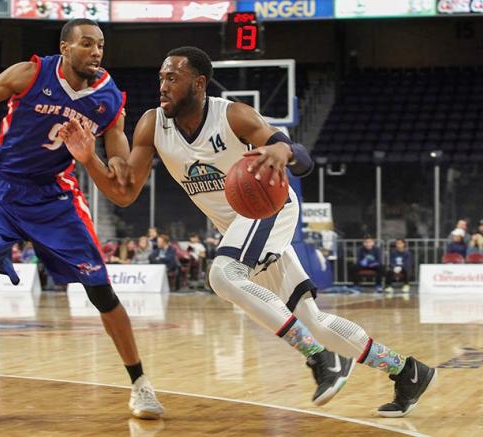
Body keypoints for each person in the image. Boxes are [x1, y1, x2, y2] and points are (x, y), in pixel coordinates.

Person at [59, 46, 437, 417]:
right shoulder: (152, 124)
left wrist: (281, 152)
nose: (163, 85)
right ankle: (407, 371)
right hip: (240, 230)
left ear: (199, 83)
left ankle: (321, 360)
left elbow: (301, 157)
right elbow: (123, 195)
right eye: (161, 77)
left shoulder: (234, 116)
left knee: (223, 274)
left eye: (173, 78)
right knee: (314, 321)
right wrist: (89, 158)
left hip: (271, 209)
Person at [0, 18, 162, 418]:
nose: (96, 52)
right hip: (4, 189)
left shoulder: (108, 98)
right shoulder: (31, 72)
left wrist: (121, 163)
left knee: (100, 291)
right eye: (87, 44)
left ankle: (140, 384)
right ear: (65, 47)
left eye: (101, 46)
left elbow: (116, 141)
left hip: (55, 196)